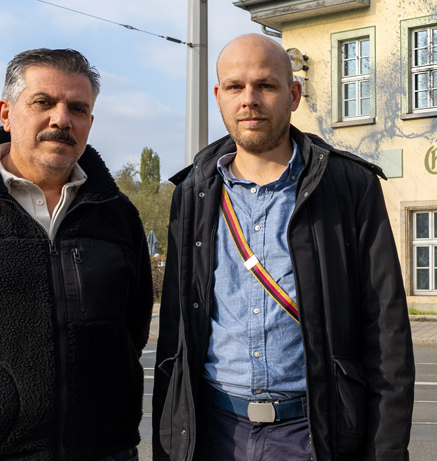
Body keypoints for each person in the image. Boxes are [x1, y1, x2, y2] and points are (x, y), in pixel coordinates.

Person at [153, 34, 415, 461]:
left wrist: (385, 452)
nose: (249, 99)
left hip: (312, 433)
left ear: (293, 95)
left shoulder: (349, 186)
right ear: (219, 97)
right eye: (235, 87)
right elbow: (175, 337)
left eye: (266, 86)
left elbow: (387, 337)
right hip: (215, 432)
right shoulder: (192, 192)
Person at [0, 49, 153, 461]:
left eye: (78, 108)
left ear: (90, 124)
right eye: (43, 102)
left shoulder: (116, 214)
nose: (61, 119)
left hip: (103, 452)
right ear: (6, 112)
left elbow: (132, 330)